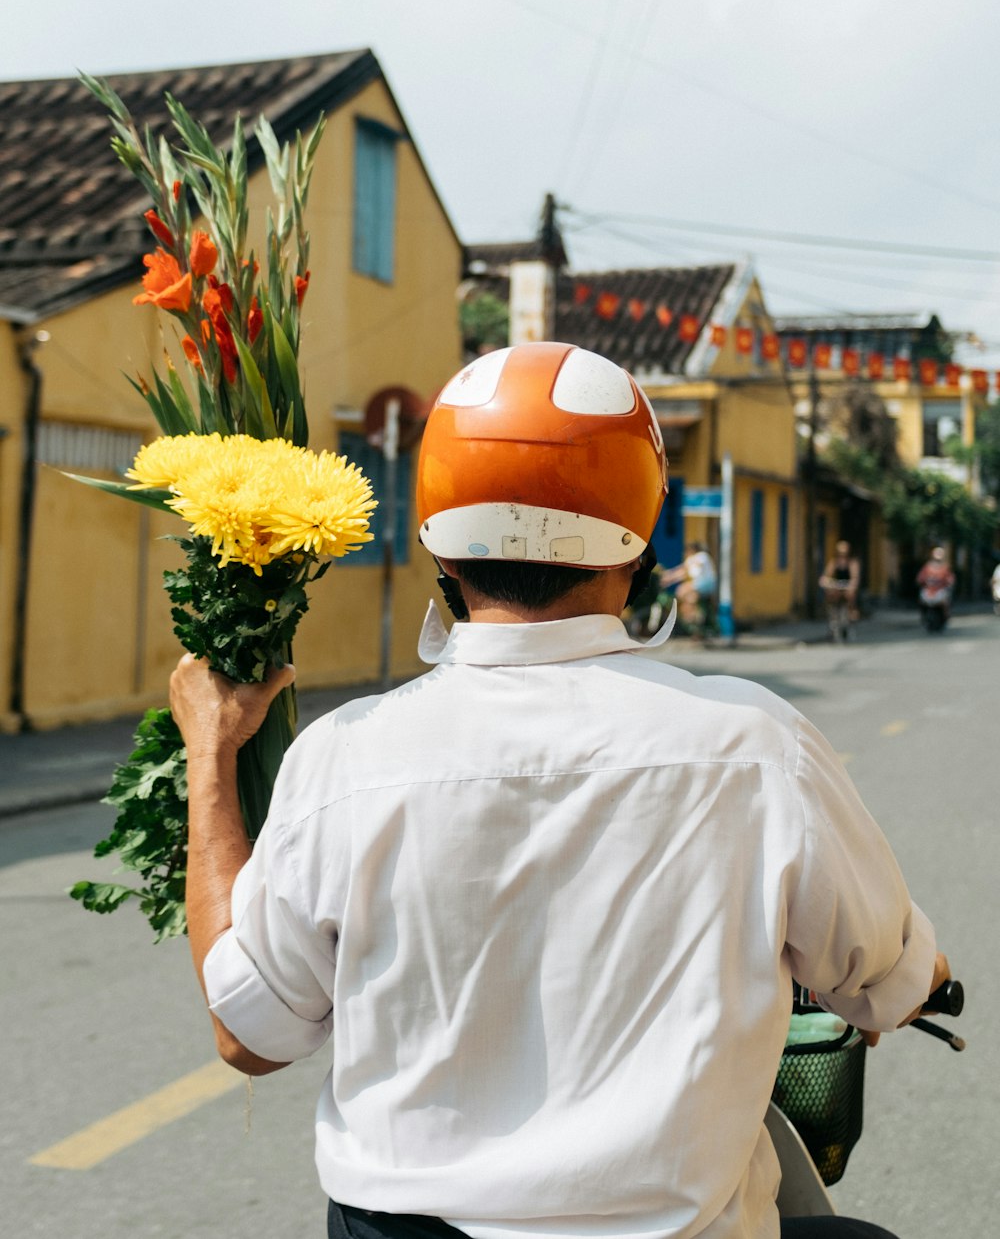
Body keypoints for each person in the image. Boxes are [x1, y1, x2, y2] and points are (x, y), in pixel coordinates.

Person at [171, 342, 948, 1239]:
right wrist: (924, 977)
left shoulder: (343, 758)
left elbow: (250, 1034)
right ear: (641, 543)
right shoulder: (759, 746)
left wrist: (210, 754)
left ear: (439, 545)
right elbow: (887, 981)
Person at [660, 540, 718, 632]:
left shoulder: (701, 556)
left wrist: (667, 578)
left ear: (691, 551)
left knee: (681, 590)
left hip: (705, 583)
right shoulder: (694, 559)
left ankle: (691, 616)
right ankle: (693, 616)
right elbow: (682, 572)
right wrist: (668, 578)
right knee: (689, 596)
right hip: (703, 585)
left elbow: (683, 571)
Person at [819, 541, 861, 640]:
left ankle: (851, 618)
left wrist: (851, 585)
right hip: (837, 587)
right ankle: (832, 622)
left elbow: (855, 577)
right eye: (840, 553)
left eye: (844, 553)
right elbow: (826, 576)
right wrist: (827, 582)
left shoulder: (852, 563)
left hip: (847, 587)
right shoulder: (834, 562)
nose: (842, 555)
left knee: (850, 596)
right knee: (831, 596)